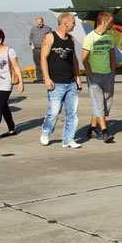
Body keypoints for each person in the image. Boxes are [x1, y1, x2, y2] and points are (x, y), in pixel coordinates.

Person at [39, 13, 84, 148]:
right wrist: (47, 78)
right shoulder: (50, 37)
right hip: (56, 82)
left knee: (72, 113)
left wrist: (77, 77)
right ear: (66, 23)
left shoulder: (71, 39)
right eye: (73, 22)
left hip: (70, 82)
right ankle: (46, 132)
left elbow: (74, 59)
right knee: (54, 112)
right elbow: (43, 58)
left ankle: (68, 139)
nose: (75, 25)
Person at [82, 12, 116, 143]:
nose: (113, 25)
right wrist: (90, 74)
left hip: (107, 74)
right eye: (111, 22)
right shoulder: (89, 38)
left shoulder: (110, 37)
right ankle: (105, 131)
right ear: (104, 22)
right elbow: (84, 59)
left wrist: (113, 72)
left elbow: (112, 55)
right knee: (99, 103)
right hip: (95, 75)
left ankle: (91, 128)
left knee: (105, 104)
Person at [29, 17, 52, 82]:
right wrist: (31, 44)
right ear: (36, 22)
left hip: (45, 49)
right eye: (38, 22)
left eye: (40, 22)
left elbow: (51, 37)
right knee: (37, 63)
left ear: (43, 21)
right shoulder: (33, 29)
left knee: (47, 62)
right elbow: (30, 37)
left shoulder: (47, 28)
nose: (39, 23)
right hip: (36, 49)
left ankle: (48, 77)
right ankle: (39, 78)